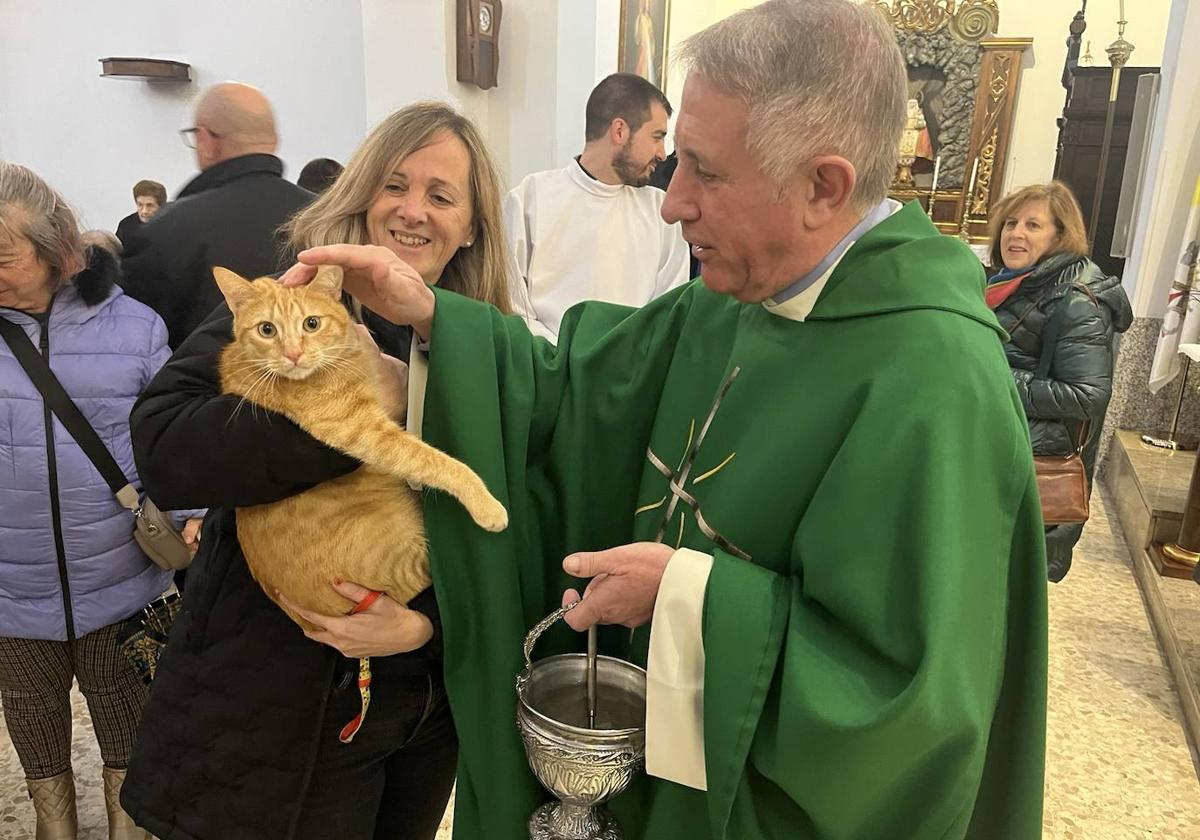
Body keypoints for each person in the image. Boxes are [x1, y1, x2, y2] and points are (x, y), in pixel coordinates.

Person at [281, 1, 1050, 837]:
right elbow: (567, 394)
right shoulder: (727, 303)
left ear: (823, 187)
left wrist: (688, 596)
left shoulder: (936, 383)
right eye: (675, 161)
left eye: (706, 174)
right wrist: (433, 318)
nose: (672, 202)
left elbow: (910, 707)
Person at [121, 102, 512, 840]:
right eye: (394, 184)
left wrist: (422, 629)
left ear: (473, 225)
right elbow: (165, 446)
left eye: (441, 195)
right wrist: (356, 416)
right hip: (272, 699)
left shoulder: (495, 344)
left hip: (420, 704)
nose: (412, 211)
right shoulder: (292, 300)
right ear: (362, 193)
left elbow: (507, 523)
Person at [0, 162, 201, 840]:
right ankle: (52, 831)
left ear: (56, 248)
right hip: (10, 587)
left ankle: (128, 831)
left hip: (121, 578)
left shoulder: (134, 327)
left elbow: (175, 436)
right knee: (33, 729)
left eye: (3, 256)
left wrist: (193, 513)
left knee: (125, 731)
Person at [985, 181, 1132, 582]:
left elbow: (1087, 396)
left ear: (1060, 236)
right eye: (1011, 222)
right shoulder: (1014, 284)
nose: (1016, 233)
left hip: (1031, 464)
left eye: (1033, 225)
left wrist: (989, 376)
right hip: (999, 451)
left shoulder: (1076, 299)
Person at [120, 82, 312, 349]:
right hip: (320, 387)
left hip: (202, 386)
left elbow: (138, 342)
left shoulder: (165, 230)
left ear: (206, 141)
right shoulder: (323, 218)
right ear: (274, 140)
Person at [505, 72, 690, 341]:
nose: (662, 154)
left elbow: (668, 317)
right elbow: (512, 307)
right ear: (619, 131)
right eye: (657, 136)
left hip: (630, 375)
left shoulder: (662, 212)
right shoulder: (529, 200)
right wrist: (560, 363)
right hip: (543, 371)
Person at [114, 180, 166, 250]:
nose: (144, 211)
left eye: (150, 205)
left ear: (161, 206)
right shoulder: (126, 225)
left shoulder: (170, 226)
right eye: (140, 205)